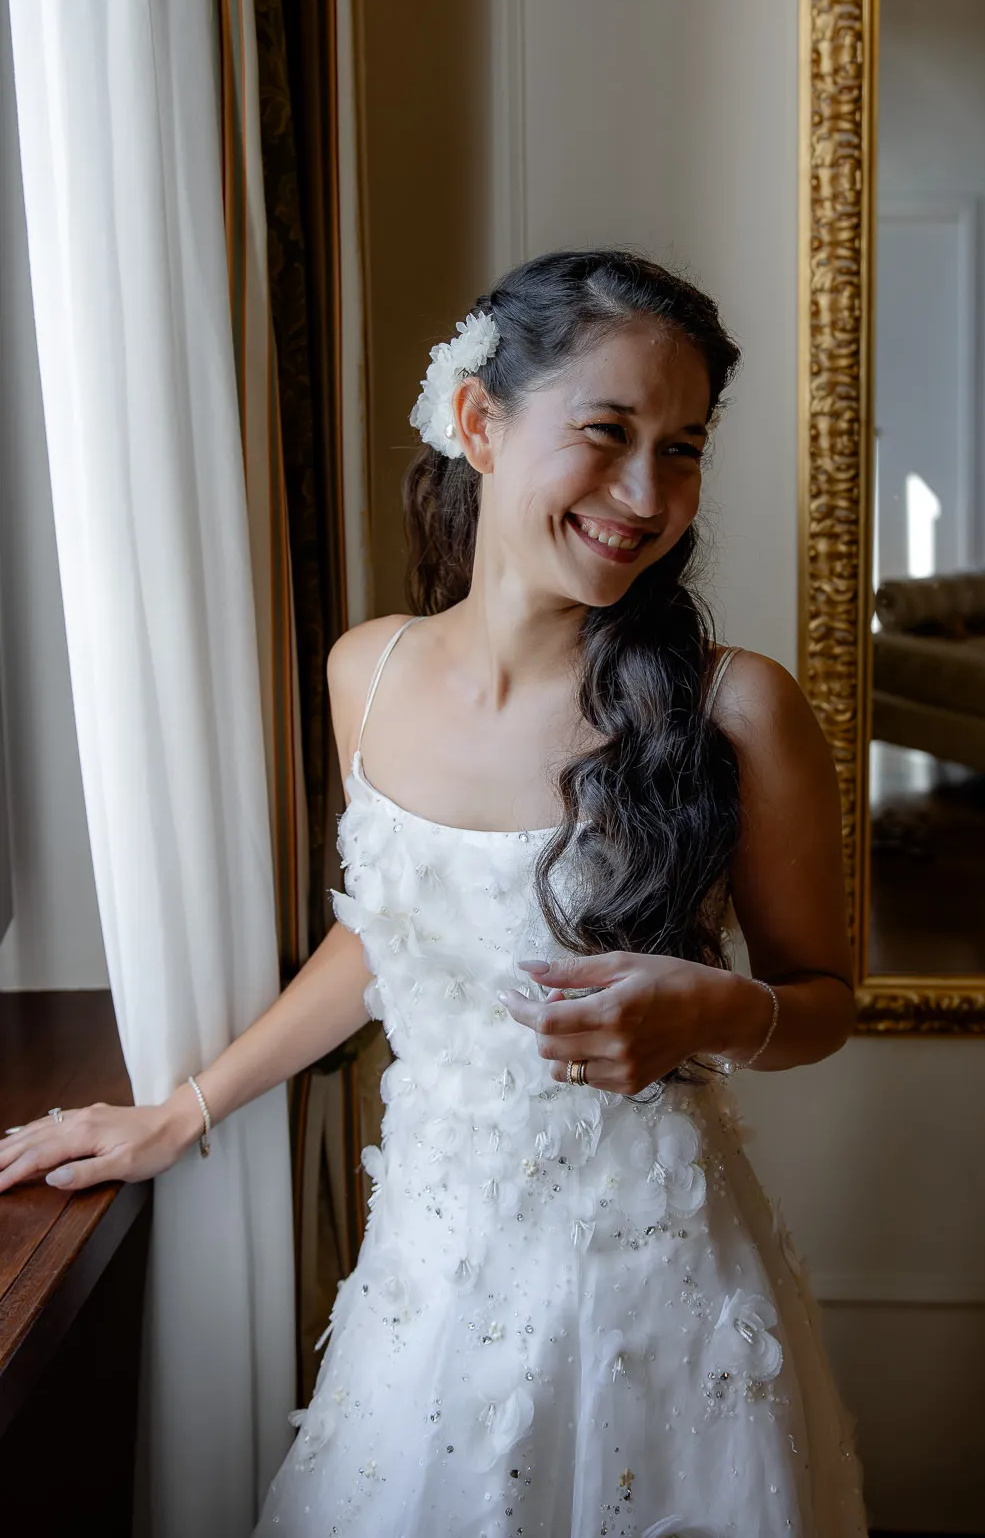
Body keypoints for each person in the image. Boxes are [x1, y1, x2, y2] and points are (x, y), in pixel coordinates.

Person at [0, 251, 866, 1536]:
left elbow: (827, 1000)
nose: (646, 495)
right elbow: (388, 937)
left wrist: (714, 1015)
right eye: (607, 433)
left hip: (655, 1286)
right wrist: (181, 1114)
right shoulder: (371, 670)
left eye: (682, 449)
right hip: (425, 1267)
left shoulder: (739, 707)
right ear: (478, 420)